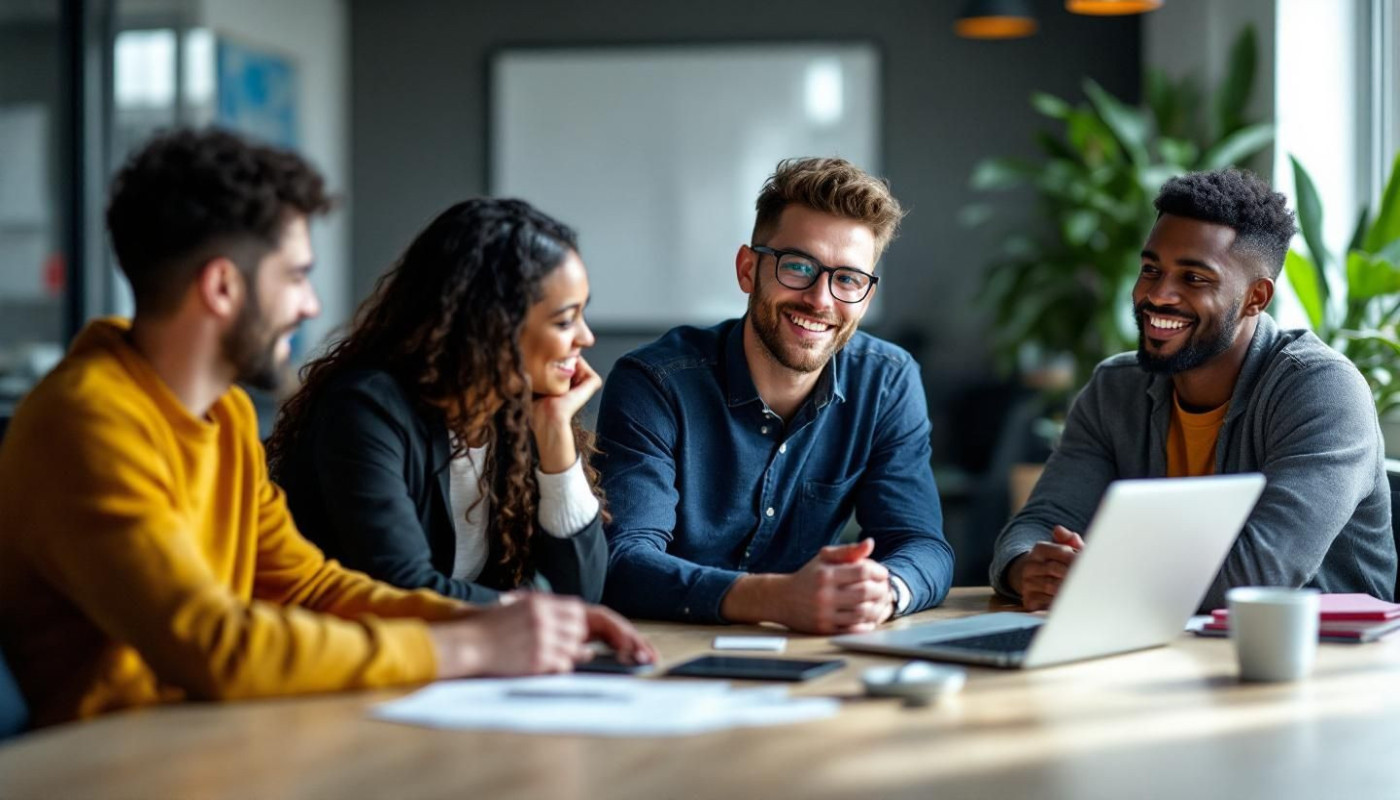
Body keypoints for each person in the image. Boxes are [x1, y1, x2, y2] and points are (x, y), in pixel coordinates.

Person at [0, 129, 651, 728]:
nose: (312, 304)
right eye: (297, 276)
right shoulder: (88, 420)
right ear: (223, 287)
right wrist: (471, 641)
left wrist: (507, 618)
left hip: (216, 731)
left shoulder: (220, 414)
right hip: (113, 757)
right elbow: (212, 644)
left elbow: (307, 583)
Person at [991, 168, 1396, 612]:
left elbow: (1259, 574)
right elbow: (1039, 525)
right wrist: (1033, 569)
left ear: (1255, 298)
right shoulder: (1115, 389)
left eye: (1194, 278)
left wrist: (1097, 579)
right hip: (1167, 649)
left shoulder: (1322, 390)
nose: (1159, 295)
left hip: (1327, 663)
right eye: (1151, 269)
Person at [596, 157, 954, 634]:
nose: (821, 300)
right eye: (798, 266)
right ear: (748, 270)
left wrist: (880, 592)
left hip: (810, 653)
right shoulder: (654, 382)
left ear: (865, 300)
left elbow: (922, 545)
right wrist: (777, 599)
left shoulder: (887, 380)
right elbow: (624, 561)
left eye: (847, 279)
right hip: (666, 653)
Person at [267, 198, 607, 604]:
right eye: (565, 320)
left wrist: (555, 432)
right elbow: (401, 587)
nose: (585, 338)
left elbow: (581, 594)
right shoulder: (365, 409)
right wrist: (527, 613)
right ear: (493, 325)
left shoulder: (515, 416)